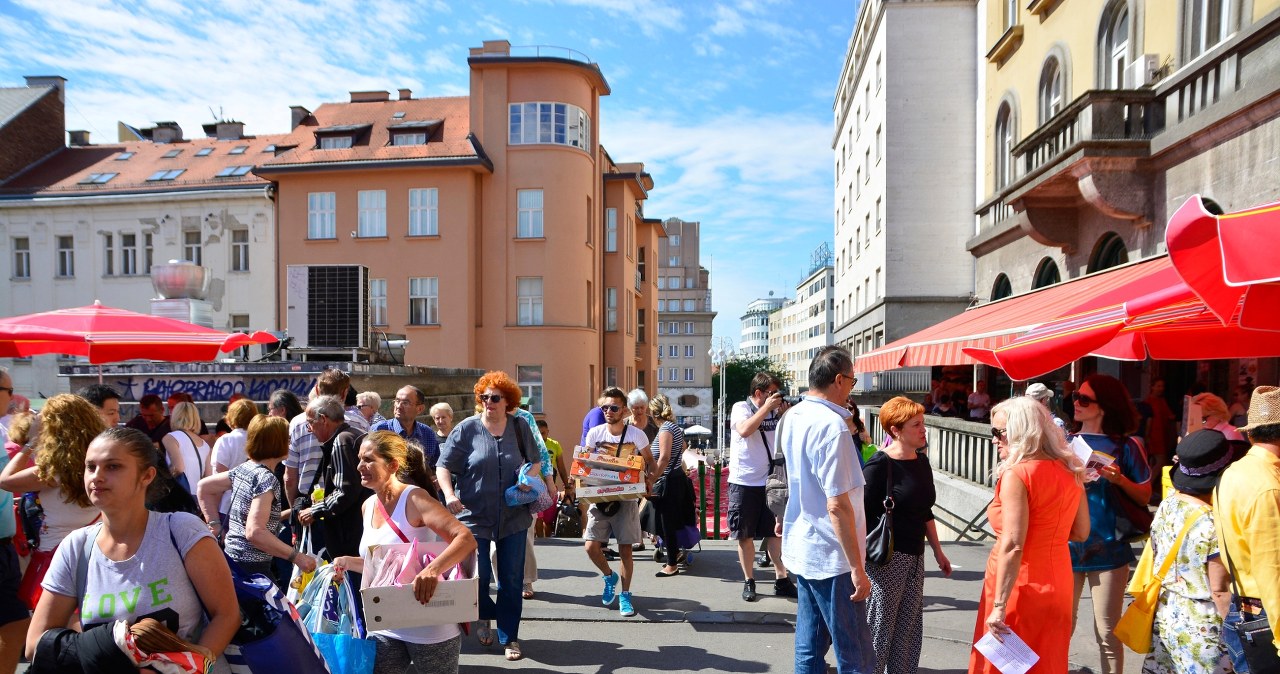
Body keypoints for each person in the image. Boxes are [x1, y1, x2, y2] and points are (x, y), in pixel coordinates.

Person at [24, 427, 239, 671]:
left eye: (113, 466)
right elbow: (35, 644)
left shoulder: (181, 530)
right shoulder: (75, 547)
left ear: (146, 475)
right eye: (91, 467)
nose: (97, 476)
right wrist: (103, 645)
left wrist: (186, 668)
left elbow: (227, 615)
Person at [333, 431, 476, 674]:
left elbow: (465, 538)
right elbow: (383, 564)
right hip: (385, 622)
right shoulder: (368, 506)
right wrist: (347, 562)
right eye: (359, 459)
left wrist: (432, 570)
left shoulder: (415, 498)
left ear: (392, 465)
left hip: (430, 625)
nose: (359, 466)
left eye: (368, 459)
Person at [970, 396, 1089, 674]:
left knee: (1004, 666)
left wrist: (999, 606)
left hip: (1018, 585)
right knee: (1047, 662)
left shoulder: (1018, 474)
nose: (994, 439)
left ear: (1020, 431)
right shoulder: (1071, 470)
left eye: (999, 432)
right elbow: (1081, 532)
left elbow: (1013, 544)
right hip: (1058, 581)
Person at [777, 346, 873, 673]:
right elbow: (837, 504)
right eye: (852, 381)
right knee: (855, 653)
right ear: (839, 380)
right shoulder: (832, 425)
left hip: (806, 543)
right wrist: (857, 568)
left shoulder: (793, 416)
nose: (852, 390)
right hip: (833, 554)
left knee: (810, 645)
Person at [436, 372, 540, 661]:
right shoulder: (466, 429)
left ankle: (510, 637)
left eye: (495, 398)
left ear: (508, 401)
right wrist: (450, 495)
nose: (488, 402)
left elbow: (535, 461)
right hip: (473, 515)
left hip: (513, 515)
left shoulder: (519, 426)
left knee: (511, 579)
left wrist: (527, 479)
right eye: (484, 397)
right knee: (477, 578)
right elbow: (443, 466)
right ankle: (484, 616)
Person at [1069, 374, 1152, 674]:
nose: (1076, 403)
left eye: (1084, 399)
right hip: (1065, 545)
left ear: (1104, 406)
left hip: (1109, 547)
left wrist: (1119, 479)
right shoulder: (1064, 442)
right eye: (1076, 396)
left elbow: (1144, 496)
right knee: (1061, 625)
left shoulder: (1127, 445)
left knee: (1107, 632)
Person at [864, 397, 952, 674]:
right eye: (916, 425)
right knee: (880, 628)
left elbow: (925, 511)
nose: (923, 429)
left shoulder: (921, 462)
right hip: (887, 560)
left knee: (909, 629)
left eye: (923, 423)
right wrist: (856, 566)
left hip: (916, 557)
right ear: (896, 430)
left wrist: (938, 551)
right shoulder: (879, 465)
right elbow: (860, 516)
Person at [0, 394, 105, 610]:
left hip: (56, 557)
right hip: (95, 552)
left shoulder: (56, 470)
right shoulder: (100, 464)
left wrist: (31, 442)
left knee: (52, 624)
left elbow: (5, 481)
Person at [1142, 429, 1233, 674]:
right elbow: (1219, 590)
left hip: (1167, 612)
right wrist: (1238, 635)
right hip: (1203, 625)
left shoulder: (1168, 504)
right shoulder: (1212, 523)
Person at [198, 415, 317, 580]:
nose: (290, 443)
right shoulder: (265, 479)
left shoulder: (246, 468)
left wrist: (215, 525)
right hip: (252, 568)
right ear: (277, 443)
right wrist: (297, 557)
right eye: (288, 439)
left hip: (233, 561)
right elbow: (255, 532)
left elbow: (204, 487)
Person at [1214, 385, 1280, 672]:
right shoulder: (1268, 486)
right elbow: (1272, 571)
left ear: (1251, 434)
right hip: (1266, 617)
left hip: (1244, 608)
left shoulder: (1234, 471)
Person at [578, 387, 656, 618]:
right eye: (604, 408)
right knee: (591, 546)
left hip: (627, 498)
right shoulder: (595, 433)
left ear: (624, 410)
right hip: (600, 497)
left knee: (625, 550)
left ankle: (625, 595)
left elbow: (650, 461)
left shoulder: (636, 435)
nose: (608, 412)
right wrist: (579, 477)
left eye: (613, 407)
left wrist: (648, 480)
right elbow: (585, 463)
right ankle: (609, 576)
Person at [728, 372, 794, 602]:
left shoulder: (778, 412)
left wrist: (784, 416)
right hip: (744, 481)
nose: (777, 397)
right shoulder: (741, 408)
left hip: (772, 481)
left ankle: (781, 578)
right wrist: (766, 408)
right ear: (759, 393)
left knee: (775, 533)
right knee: (744, 535)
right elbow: (745, 430)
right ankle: (749, 580)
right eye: (772, 393)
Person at [297, 395, 369, 561]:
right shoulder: (352, 435)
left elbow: (346, 491)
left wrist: (315, 510)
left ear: (323, 419)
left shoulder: (342, 441)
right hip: (358, 530)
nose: (309, 429)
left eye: (310, 422)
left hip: (351, 535)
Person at [649, 395, 694, 578]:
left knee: (666, 523)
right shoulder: (674, 427)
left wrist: (652, 478)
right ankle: (673, 556)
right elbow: (683, 446)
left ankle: (672, 564)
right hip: (676, 479)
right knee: (668, 522)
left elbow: (664, 457)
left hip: (667, 482)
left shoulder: (665, 429)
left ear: (654, 413)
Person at [209, 398, 258, 521]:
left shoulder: (225, 440)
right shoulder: (259, 439)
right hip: (256, 503)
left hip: (228, 505)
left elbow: (219, 473)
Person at [371, 386, 440, 471]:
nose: (399, 406)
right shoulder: (380, 430)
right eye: (397, 401)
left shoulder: (428, 434)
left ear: (419, 409)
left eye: (405, 403)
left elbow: (434, 466)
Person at [160, 401, 211, 498]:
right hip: (197, 497)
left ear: (175, 417)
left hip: (180, 495)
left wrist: (163, 478)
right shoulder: (204, 444)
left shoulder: (171, 437)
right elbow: (209, 476)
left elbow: (178, 468)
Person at [1145, 379, 1177, 502]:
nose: (1161, 388)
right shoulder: (1148, 402)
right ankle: (1148, 486)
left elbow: (1169, 415)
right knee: (1160, 461)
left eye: (1162, 386)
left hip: (1162, 435)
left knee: (1154, 462)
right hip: (1154, 436)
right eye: (1158, 386)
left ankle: (1149, 486)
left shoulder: (1161, 401)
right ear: (1152, 387)